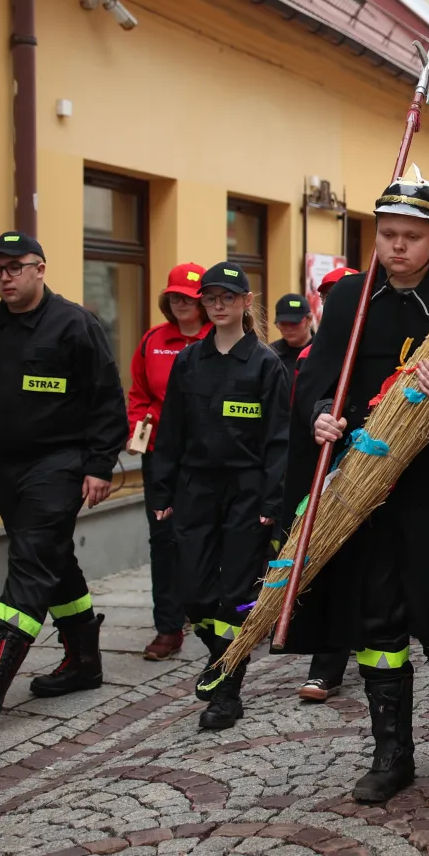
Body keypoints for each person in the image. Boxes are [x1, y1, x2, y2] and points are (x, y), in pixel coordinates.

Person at [280, 175, 429, 806]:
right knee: (377, 614)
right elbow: (319, 376)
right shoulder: (348, 300)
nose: (397, 247)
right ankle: (390, 751)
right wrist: (320, 416)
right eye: (387, 235)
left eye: (411, 237)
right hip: (366, 482)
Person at [0, 232, 127, 719]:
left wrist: (99, 465)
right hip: (6, 462)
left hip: (61, 463)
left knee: (31, 557)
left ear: (40, 269)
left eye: (15, 267)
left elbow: (106, 401)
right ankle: (84, 661)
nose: (6, 277)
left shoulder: (75, 324)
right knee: (52, 558)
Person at [149, 263, 289, 730]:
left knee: (235, 594)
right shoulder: (190, 360)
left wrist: (273, 502)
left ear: (246, 303)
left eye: (227, 297)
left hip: (246, 491)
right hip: (195, 488)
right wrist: (163, 487)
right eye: (211, 297)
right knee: (194, 590)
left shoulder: (265, 363)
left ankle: (227, 688)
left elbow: (278, 440)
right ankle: (220, 658)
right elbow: (171, 429)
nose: (218, 305)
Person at [126, 262, 211, 662]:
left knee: (209, 537)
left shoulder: (222, 338)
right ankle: (168, 627)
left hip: (210, 459)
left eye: (189, 298)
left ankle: (214, 615)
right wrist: (137, 428)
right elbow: (139, 394)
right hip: (161, 457)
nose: (180, 303)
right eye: (174, 296)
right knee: (163, 539)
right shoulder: (152, 341)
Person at [290, 264, 357, 703]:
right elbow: (306, 402)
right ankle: (326, 663)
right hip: (332, 472)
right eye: (328, 296)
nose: (335, 304)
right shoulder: (309, 354)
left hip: (382, 467)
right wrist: (319, 413)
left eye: (342, 296)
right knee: (331, 561)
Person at [270, 294, 314, 377]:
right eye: (283, 324)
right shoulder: (271, 354)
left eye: (294, 323)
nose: (289, 329)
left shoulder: (320, 351)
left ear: (309, 319)